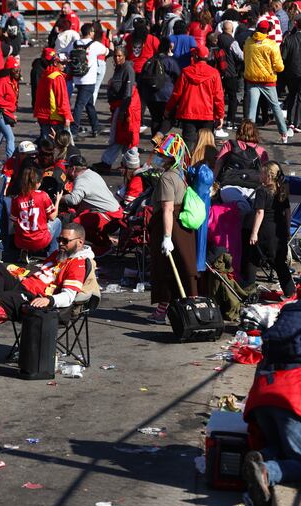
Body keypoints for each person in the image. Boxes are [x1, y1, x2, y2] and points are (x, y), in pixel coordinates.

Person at [0, 223, 94, 373]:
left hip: (33, 299)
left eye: (65, 241)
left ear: (80, 242)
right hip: (23, 286)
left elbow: (69, 296)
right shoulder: (58, 254)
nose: (60, 243)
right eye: (59, 239)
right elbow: (41, 275)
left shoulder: (77, 264)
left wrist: (49, 300)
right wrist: (21, 273)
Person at [242, 302, 301, 506]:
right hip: (290, 399)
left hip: (262, 394)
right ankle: (268, 472)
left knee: (281, 448)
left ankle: (260, 459)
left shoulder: (289, 313)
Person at [147, 133, 196, 324]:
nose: (159, 157)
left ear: (171, 156)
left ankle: (164, 312)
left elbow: (167, 208)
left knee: (166, 269)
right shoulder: (181, 174)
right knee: (182, 267)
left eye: (163, 154)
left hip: (170, 227)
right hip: (181, 227)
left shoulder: (168, 177)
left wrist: (167, 237)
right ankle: (180, 310)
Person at [242, 161, 293, 296]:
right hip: (280, 230)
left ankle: (249, 289)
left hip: (266, 231)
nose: (260, 174)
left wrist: (254, 233)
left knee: (253, 259)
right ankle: (290, 291)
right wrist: (288, 229)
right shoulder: (282, 189)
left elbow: (260, 213)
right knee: (279, 262)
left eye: (262, 172)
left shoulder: (262, 191)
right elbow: (287, 211)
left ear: (268, 176)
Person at [162, 46, 225, 151]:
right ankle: (203, 165)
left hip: (188, 112)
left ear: (196, 56)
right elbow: (218, 97)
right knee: (206, 144)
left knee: (188, 143)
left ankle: (187, 165)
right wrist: (220, 115)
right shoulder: (214, 73)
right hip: (207, 113)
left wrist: (168, 108)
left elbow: (176, 94)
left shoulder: (186, 72)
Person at [62, 154, 124, 255]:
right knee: (82, 217)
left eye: (67, 167)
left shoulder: (81, 179)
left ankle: (103, 246)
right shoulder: (91, 173)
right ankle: (105, 242)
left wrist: (60, 198)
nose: (66, 170)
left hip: (111, 217)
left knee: (76, 225)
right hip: (114, 213)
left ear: (73, 168)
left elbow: (74, 199)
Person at [93, 47, 140, 173]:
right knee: (121, 137)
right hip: (119, 108)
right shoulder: (119, 68)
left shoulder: (127, 69)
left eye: (119, 56)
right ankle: (121, 163)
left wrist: (123, 112)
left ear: (125, 56)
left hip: (126, 108)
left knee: (125, 137)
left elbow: (127, 93)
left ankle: (128, 163)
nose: (117, 58)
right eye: (115, 56)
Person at [245, 19, 291, 143]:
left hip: (252, 79)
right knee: (275, 107)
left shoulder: (249, 42)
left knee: (252, 110)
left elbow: (245, 58)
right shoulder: (271, 44)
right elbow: (279, 66)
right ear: (268, 30)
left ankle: (248, 136)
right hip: (267, 80)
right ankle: (284, 133)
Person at [64, 23, 108, 138]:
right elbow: (106, 51)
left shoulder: (74, 44)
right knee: (79, 105)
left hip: (77, 78)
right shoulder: (95, 45)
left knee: (89, 104)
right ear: (90, 33)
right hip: (89, 80)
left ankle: (95, 127)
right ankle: (73, 131)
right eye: (93, 31)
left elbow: (67, 53)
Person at [11, 165, 61, 257]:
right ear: (37, 183)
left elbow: (14, 222)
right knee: (58, 222)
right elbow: (52, 217)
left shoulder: (16, 198)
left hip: (21, 241)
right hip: (40, 241)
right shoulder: (43, 195)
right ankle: (52, 254)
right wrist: (58, 201)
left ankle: (25, 250)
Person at [138, 37, 181, 137]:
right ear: (168, 48)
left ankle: (156, 145)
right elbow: (179, 76)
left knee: (155, 118)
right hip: (165, 95)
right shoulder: (170, 61)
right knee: (170, 118)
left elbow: (141, 78)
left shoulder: (150, 60)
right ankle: (160, 134)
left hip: (150, 95)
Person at [187, 129, 216, 273]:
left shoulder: (196, 159)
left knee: (196, 235)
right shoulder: (214, 157)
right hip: (210, 203)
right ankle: (199, 265)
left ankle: (195, 264)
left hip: (196, 202)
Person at [33, 47, 72, 140]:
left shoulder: (45, 74)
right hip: (54, 117)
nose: (65, 66)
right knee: (57, 145)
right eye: (62, 63)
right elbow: (62, 99)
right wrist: (67, 116)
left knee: (45, 145)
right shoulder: (57, 77)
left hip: (42, 115)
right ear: (55, 63)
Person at [219, 20, 245, 130]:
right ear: (232, 30)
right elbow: (241, 56)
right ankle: (230, 121)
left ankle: (216, 119)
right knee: (232, 98)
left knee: (218, 97)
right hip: (230, 72)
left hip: (219, 72)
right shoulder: (232, 42)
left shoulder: (218, 38)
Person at [282, 14, 301, 134]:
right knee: (299, 97)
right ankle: (297, 121)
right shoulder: (290, 38)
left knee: (292, 95)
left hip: (291, 71)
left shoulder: (289, 39)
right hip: (296, 72)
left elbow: (283, 57)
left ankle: (291, 120)